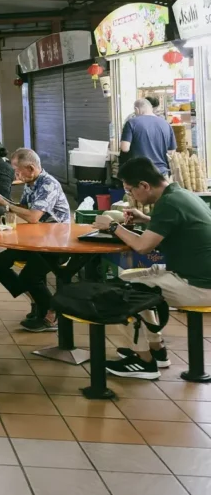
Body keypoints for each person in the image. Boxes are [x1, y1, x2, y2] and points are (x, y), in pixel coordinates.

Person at [93, 157, 211, 379]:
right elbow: (174, 226)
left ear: (144, 186)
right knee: (132, 278)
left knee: (120, 292)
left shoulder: (169, 203)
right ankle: (156, 350)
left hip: (199, 285)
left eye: (130, 190)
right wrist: (145, 219)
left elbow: (143, 247)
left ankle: (143, 362)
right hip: (196, 275)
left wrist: (112, 226)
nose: (130, 196)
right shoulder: (179, 194)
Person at [0, 148, 71, 332]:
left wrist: (5, 205)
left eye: (18, 171)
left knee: (30, 276)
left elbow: (33, 217)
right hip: (37, 239)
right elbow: (22, 207)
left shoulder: (48, 184)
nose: (16, 175)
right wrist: (2, 199)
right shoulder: (31, 183)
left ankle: (51, 313)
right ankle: (37, 300)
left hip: (56, 243)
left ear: (31, 168)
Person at [121, 98, 176, 175]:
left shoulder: (131, 123)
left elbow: (125, 148)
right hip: (161, 173)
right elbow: (171, 151)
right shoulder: (166, 124)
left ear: (136, 109)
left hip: (140, 172)